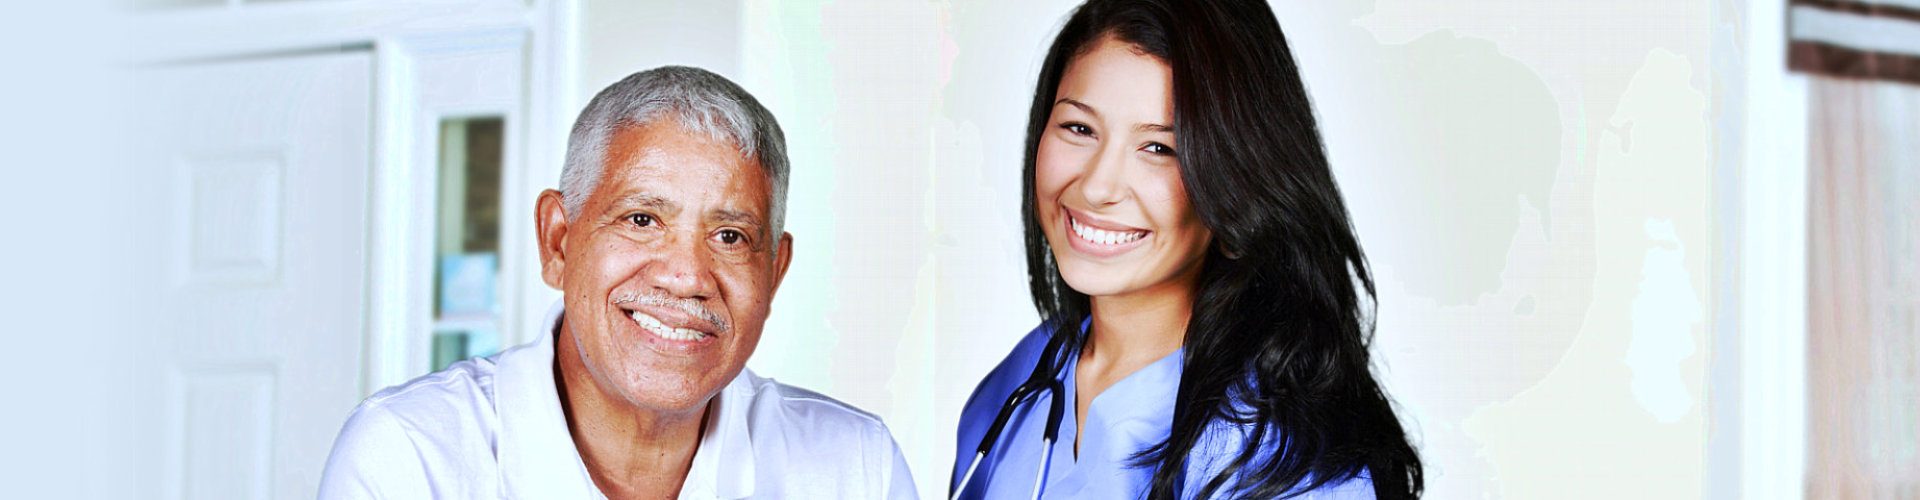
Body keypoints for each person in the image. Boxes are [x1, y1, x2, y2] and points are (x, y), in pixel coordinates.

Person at [319, 66, 917, 499]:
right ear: (558, 242)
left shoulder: (854, 468)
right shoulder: (409, 458)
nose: (686, 277)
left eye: (730, 236)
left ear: (775, 273)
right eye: (641, 220)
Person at [950, 1, 1423, 499]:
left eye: (1159, 149)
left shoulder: (1285, 462)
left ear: (1237, 184)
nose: (1096, 187)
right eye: (1079, 128)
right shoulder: (1017, 384)